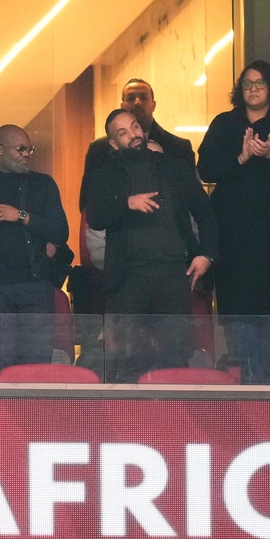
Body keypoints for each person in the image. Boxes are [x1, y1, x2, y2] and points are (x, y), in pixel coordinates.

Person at [197, 60, 270, 383]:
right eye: (247, 83)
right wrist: (241, 157)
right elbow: (205, 169)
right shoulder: (224, 124)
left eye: (260, 83)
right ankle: (246, 392)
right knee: (240, 326)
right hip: (234, 242)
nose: (253, 89)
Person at [86, 109, 218, 381]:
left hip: (173, 274)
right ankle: (128, 410)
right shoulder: (104, 176)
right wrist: (127, 203)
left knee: (176, 356)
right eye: (122, 132)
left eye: (134, 126)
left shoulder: (174, 168)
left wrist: (206, 254)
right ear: (113, 143)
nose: (133, 134)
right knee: (126, 358)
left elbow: (206, 213)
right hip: (127, 279)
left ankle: (173, 409)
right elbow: (96, 217)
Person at [0, 125, 69, 371]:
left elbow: (60, 232)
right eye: (20, 149)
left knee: (38, 366)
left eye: (29, 149)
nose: (26, 154)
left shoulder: (43, 184)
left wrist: (21, 216)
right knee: (4, 364)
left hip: (35, 287)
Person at [79, 78, 195, 211]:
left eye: (144, 98)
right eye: (131, 98)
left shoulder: (179, 147)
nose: (137, 102)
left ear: (153, 105)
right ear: (122, 105)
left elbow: (191, 198)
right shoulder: (99, 149)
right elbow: (88, 202)